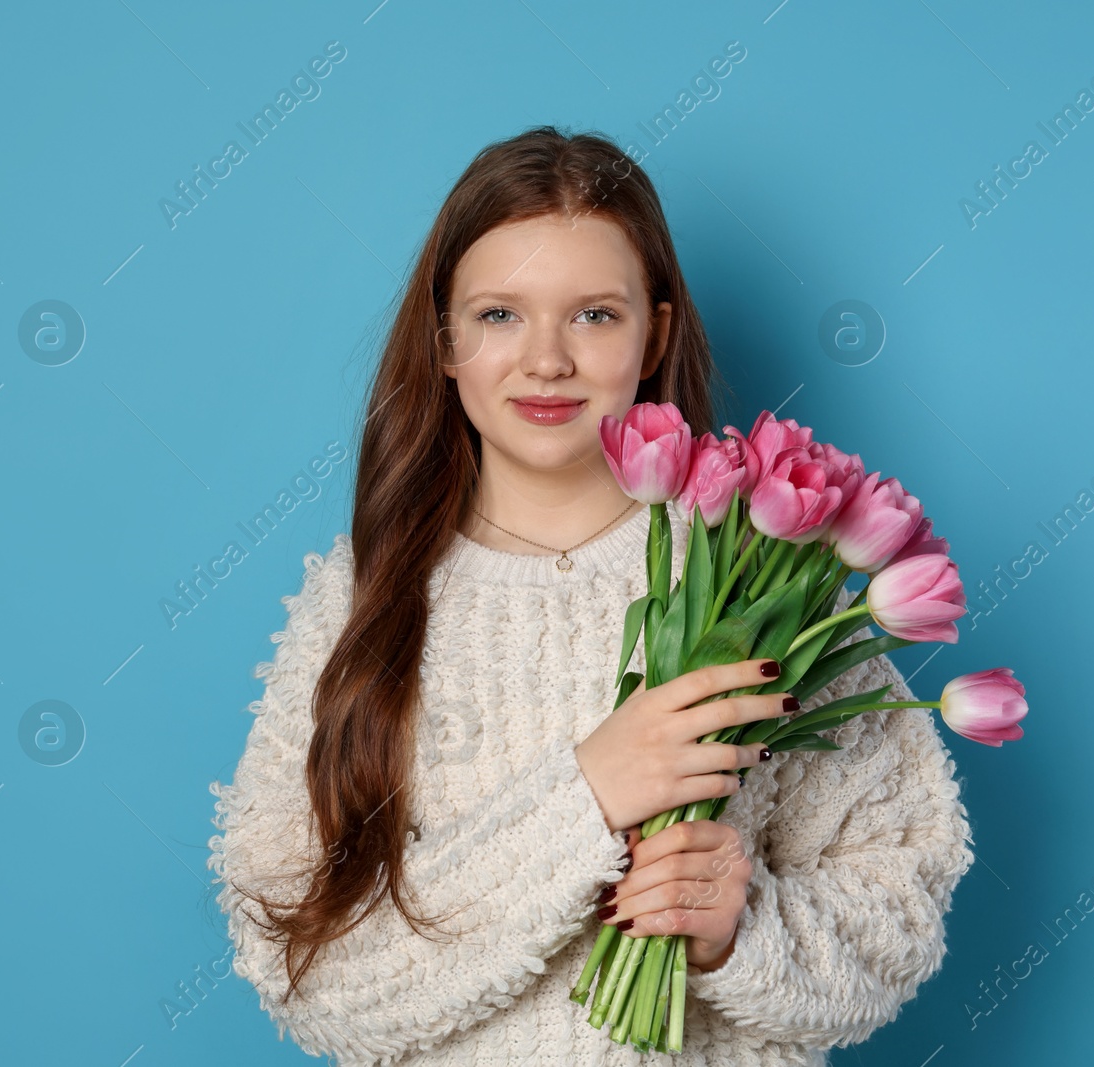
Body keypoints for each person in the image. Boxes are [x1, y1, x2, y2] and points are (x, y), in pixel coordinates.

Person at [207, 125, 974, 1065]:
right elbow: (303, 973)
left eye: (594, 315)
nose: (545, 360)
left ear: (654, 333)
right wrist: (588, 797)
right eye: (499, 315)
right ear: (444, 340)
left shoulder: (764, 576)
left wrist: (740, 930)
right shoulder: (359, 601)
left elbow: (901, 902)